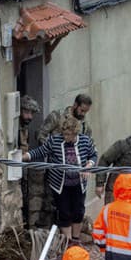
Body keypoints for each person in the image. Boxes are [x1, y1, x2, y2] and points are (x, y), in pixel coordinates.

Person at [24, 115, 97, 244]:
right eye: (64, 134)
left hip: (79, 184)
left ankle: (75, 239)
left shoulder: (85, 141)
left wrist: (88, 166)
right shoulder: (55, 141)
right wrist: (26, 156)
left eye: (69, 134)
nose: (66, 137)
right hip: (61, 184)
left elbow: (93, 155)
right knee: (64, 212)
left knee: (78, 211)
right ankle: (67, 242)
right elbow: (41, 151)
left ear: (75, 133)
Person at [31, 94, 93, 227]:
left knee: (73, 208)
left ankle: (66, 237)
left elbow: (88, 148)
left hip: (75, 177)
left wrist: (87, 164)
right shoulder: (57, 116)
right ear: (75, 105)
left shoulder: (84, 126)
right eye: (82, 110)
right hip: (55, 171)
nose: (83, 114)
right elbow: (41, 134)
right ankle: (46, 232)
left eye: (86, 112)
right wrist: (53, 149)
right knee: (49, 203)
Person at [18, 95, 40, 227]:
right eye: (26, 112)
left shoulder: (24, 127)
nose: (29, 117)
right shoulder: (16, 127)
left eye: (31, 113)